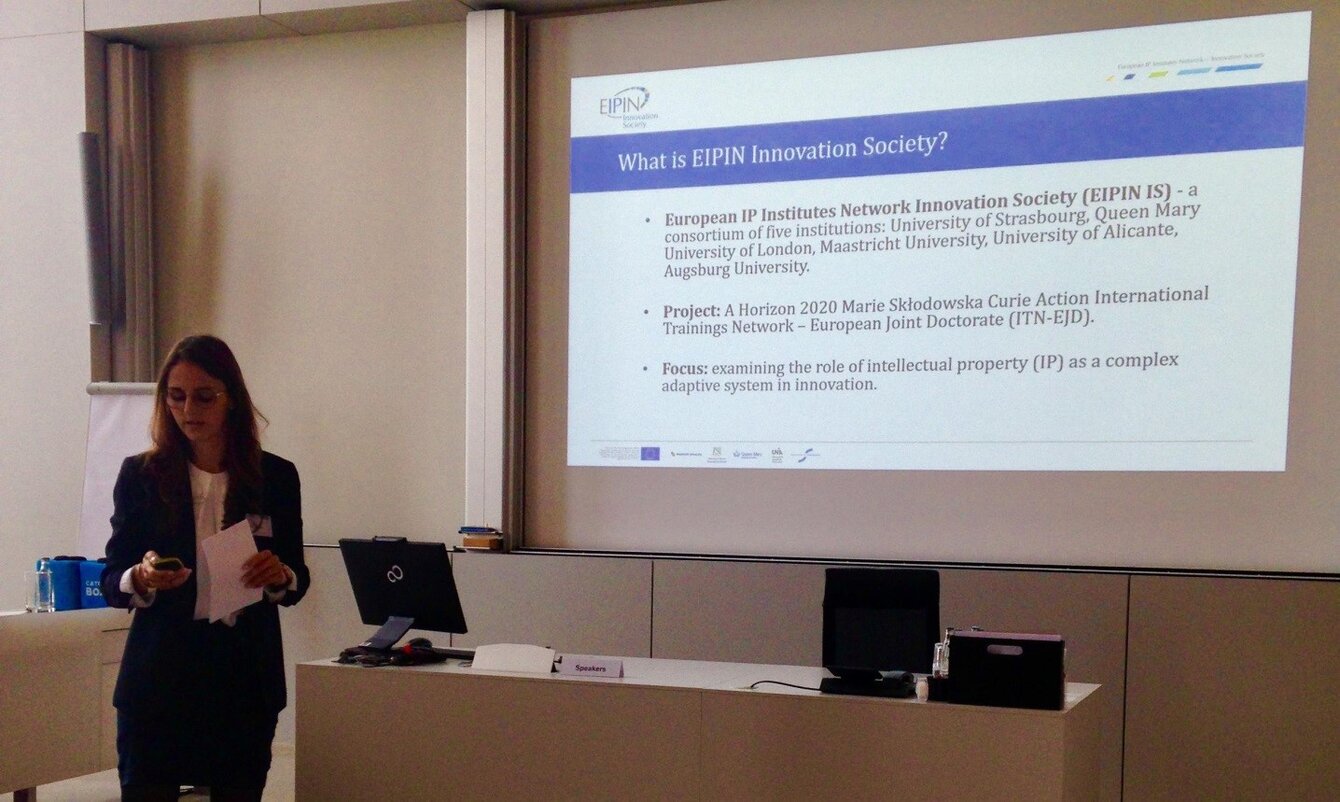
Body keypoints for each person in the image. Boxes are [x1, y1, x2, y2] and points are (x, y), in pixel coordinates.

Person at [101, 335, 310, 801]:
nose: (188, 409)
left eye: (204, 396)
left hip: (242, 678)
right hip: (159, 677)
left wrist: (280, 576)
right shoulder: (141, 475)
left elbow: (297, 577)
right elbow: (111, 578)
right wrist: (140, 577)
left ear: (231, 397)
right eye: (175, 396)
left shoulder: (275, 476)